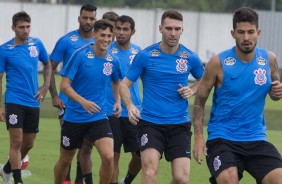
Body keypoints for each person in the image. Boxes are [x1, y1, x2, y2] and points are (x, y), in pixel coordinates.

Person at [193, 7, 282, 184]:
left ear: (258, 32)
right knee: (229, 179)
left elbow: (275, 91)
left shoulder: (269, 59)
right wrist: (199, 137)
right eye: (241, 32)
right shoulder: (218, 62)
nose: (246, 37)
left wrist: (277, 92)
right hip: (223, 138)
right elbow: (199, 101)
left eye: (251, 32)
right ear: (233, 34)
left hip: (256, 138)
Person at [119, 10, 204, 184]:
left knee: (181, 179)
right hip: (150, 123)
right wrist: (129, 106)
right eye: (169, 28)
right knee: (150, 173)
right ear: (161, 29)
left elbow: (205, 80)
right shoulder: (145, 55)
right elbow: (123, 85)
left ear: (182, 30)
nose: (173, 33)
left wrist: (193, 89)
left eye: (177, 29)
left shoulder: (190, 57)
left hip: (179, 124)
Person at [54, 19, 122, 184]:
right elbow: (64, 86)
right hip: (75, 117)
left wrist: (118, 101)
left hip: (98, 116)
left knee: (108, 157)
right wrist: (83, 102)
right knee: (65, 160)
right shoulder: (80, 55)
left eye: (109, 36)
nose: (106, 39)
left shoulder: (113, 60)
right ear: (94, 35)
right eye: (102, 35)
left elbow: (116, 81)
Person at [0, 11, 51, 184]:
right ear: (13, 28)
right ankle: (17, 179)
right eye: (21, 27)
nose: (25, 30)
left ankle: (6, 169)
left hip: (33, 101)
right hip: (14, 100)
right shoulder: (5, 50)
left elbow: (47, 63)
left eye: (28, 27)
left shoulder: (37, 44)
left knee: (28, 144)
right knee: (16, 142)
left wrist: (45, 86)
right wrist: (0, 106)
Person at [49, 3, 97, 184]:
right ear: (79, 18)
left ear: (96, 19)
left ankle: (79, 179)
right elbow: (49, 69)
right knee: (69, 146)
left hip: (91, 102)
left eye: (91, 18)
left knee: (87, 145)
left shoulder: (99, 41)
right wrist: (54, 95)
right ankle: (66, 179)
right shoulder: (67, 41)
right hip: (67, 102)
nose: (88, 21)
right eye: (85, 17)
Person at [106, 15, 141, 184]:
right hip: (112, 111)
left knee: (140, 155)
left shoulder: (139, 53)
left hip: (134, 111)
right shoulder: (106, 51)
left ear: (132, 31)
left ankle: (126, 180)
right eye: (118, 28)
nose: (120, 32)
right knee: (113, 156)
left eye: (125, 29)